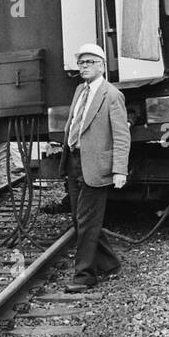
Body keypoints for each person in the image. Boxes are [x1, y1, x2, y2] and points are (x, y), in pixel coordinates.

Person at [62, 43, 130, 293]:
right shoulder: (80, 90)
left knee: (86, 222)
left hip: (96, 166)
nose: (84, 67)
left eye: (90, 62)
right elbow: (74, 123)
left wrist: (119, 170)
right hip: (74, 161)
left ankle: (85, 276)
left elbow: (122, 136)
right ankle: (110, 264)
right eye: (81, 63)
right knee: (81, 221)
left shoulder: (112, 95)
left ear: (102, 65)